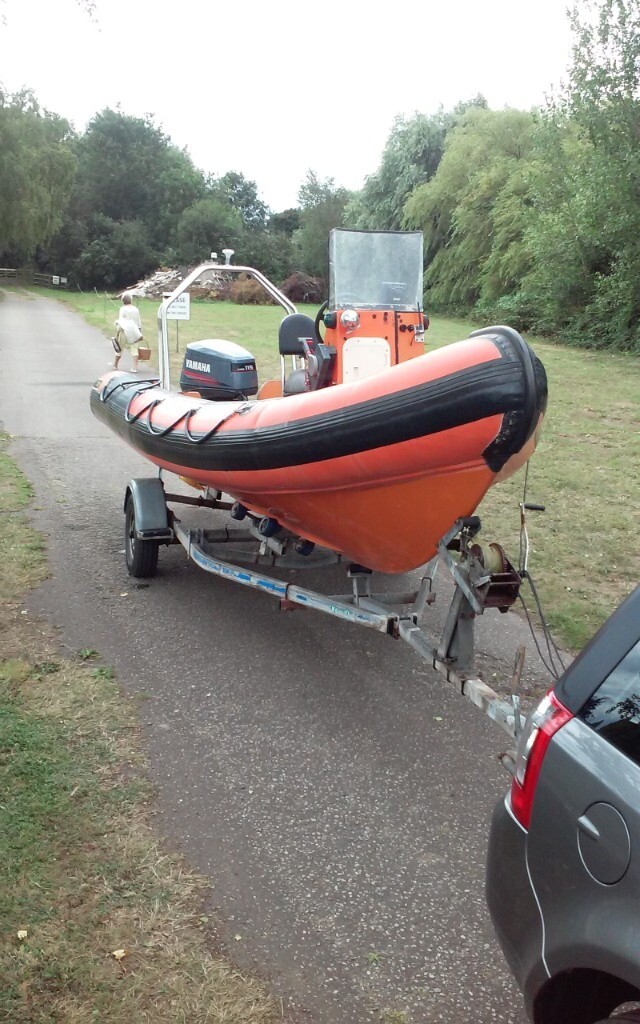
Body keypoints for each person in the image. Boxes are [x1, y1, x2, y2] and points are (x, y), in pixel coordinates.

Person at [111, 292, 143, 372]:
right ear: (131, 300)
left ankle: (115, 365)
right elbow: (138, 321)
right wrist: (139, 331)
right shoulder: (136, 309)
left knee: (120, 348)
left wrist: (118, 331)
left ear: (123, 301)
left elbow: (121, 321)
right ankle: (134, 367)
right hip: (134, 331)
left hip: (124, 331)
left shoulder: (122, 309)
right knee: (134, 349)